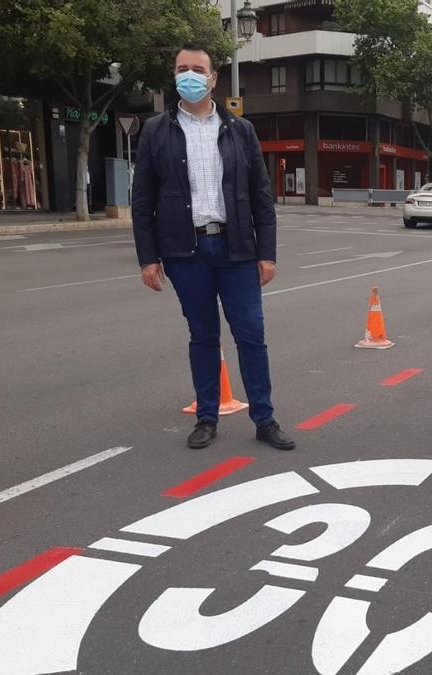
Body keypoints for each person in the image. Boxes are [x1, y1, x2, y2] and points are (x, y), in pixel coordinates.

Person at [131, 43, 295, 452]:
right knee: (202, 335)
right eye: (182, 69)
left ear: (213, 78)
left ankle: (265, 417)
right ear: (174, 75)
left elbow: (261, 196)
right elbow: (142, 201)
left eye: (197, 69)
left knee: (251, 334)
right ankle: (207, 416)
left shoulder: (240, 130)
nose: (189, 75)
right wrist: (148, 258)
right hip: (185, 252)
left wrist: (267, 252)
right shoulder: (156, 130)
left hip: (236, 248)